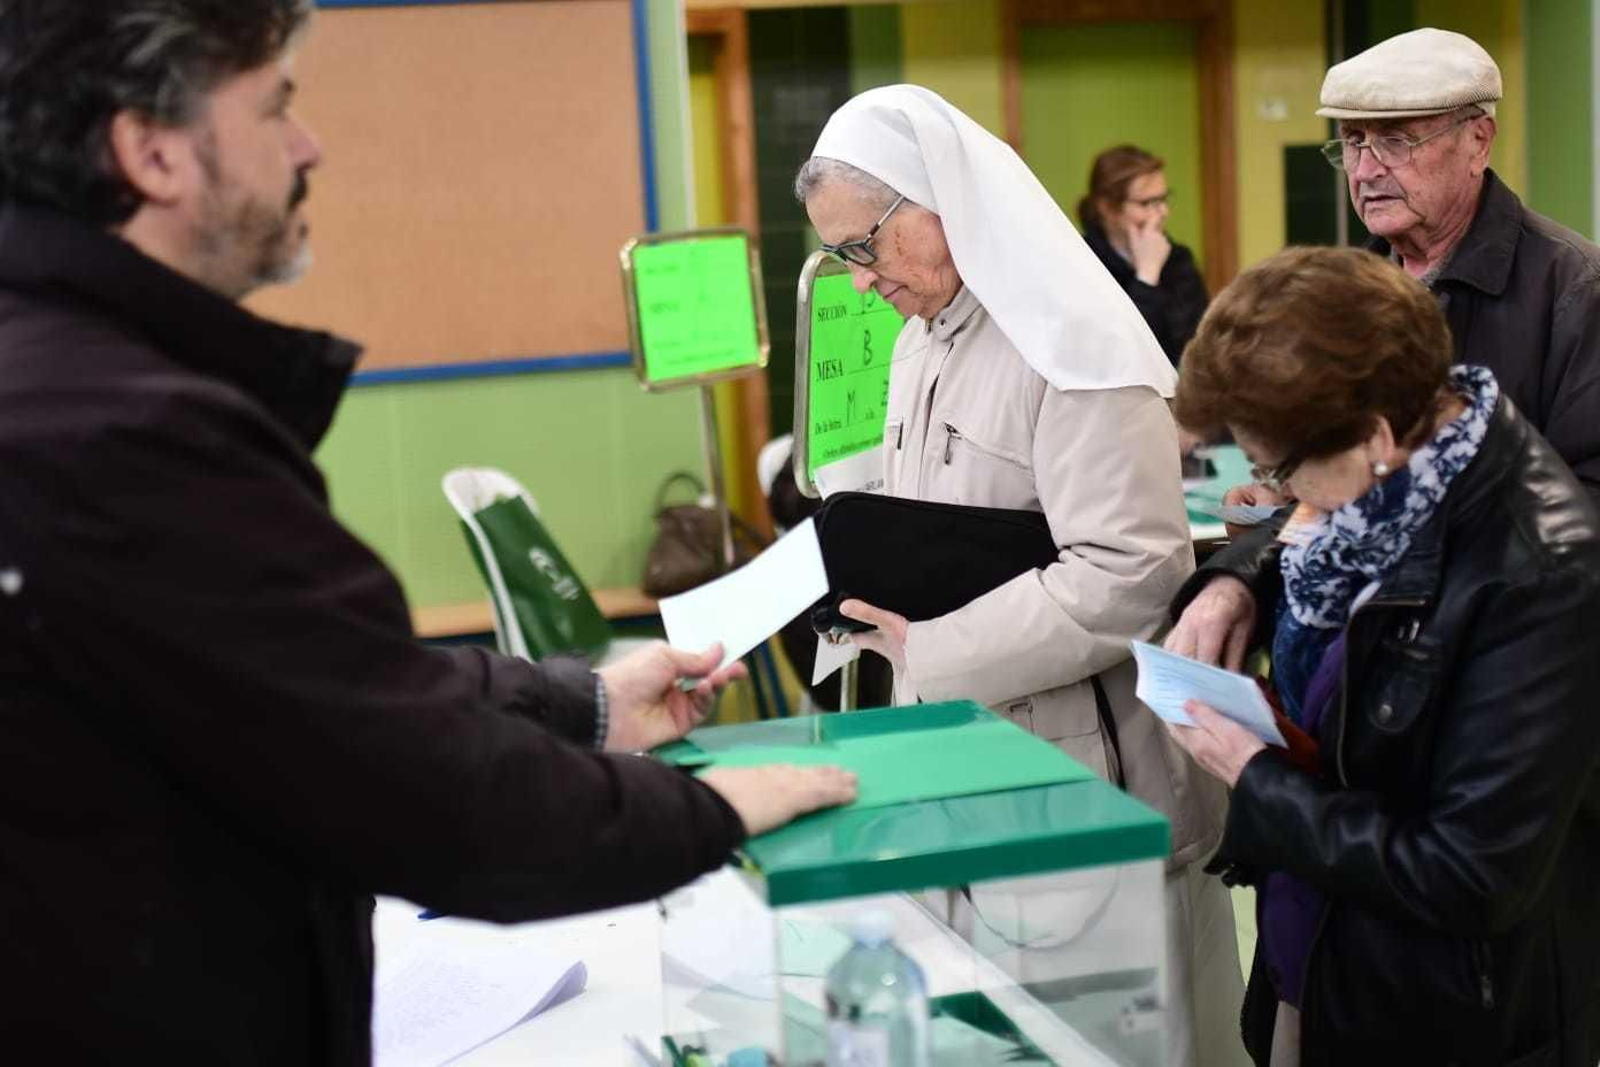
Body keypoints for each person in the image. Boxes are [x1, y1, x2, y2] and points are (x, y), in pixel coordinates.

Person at [0, 3, 856, 1062]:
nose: (308, 145)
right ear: (152, 151)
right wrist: (712, 810)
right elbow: (424, 787)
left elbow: (303, 681)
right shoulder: (130, 432)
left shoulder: (52, 380)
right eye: (275, 109)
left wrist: (581, 703)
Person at [794, 85, 1246, 1067]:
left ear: (938, 200)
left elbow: (1131, 568)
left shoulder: (1074, 340)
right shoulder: (924, 337)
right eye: (840, 259)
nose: (859, 281)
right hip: (965, 760)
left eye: (862, 246)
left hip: (1084, 783)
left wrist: (937, 647)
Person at [1163, 245, 1600, 1065]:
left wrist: (1258, 777)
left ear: (1375, 436)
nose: (1277, 491)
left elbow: (1468, 873)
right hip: (1318, 957)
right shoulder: (1386, 490)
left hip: (1442, 1016)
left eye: (1281, 466)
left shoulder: (1544, 574)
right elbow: (1309, 534)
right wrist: (1235, 583)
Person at [1187, 25, 1600, 664]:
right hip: (1366, 668)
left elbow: (1580, 522)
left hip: (1503, 669)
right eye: (1352, 143)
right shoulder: (1346, 293)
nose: (1367, 169)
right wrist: (1244, 569)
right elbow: (1334, 494)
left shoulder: (1575, 291)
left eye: (1397, 141)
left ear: (1478, 141)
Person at [1078, 144, 1208, 366]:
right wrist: (1147, 275)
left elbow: (1191, 346)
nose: (1163, 212)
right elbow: (1116, 355)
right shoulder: (1082, 263)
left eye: (1163, 198)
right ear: (1107, 208)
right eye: (1147, 203)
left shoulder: (1178, 259)